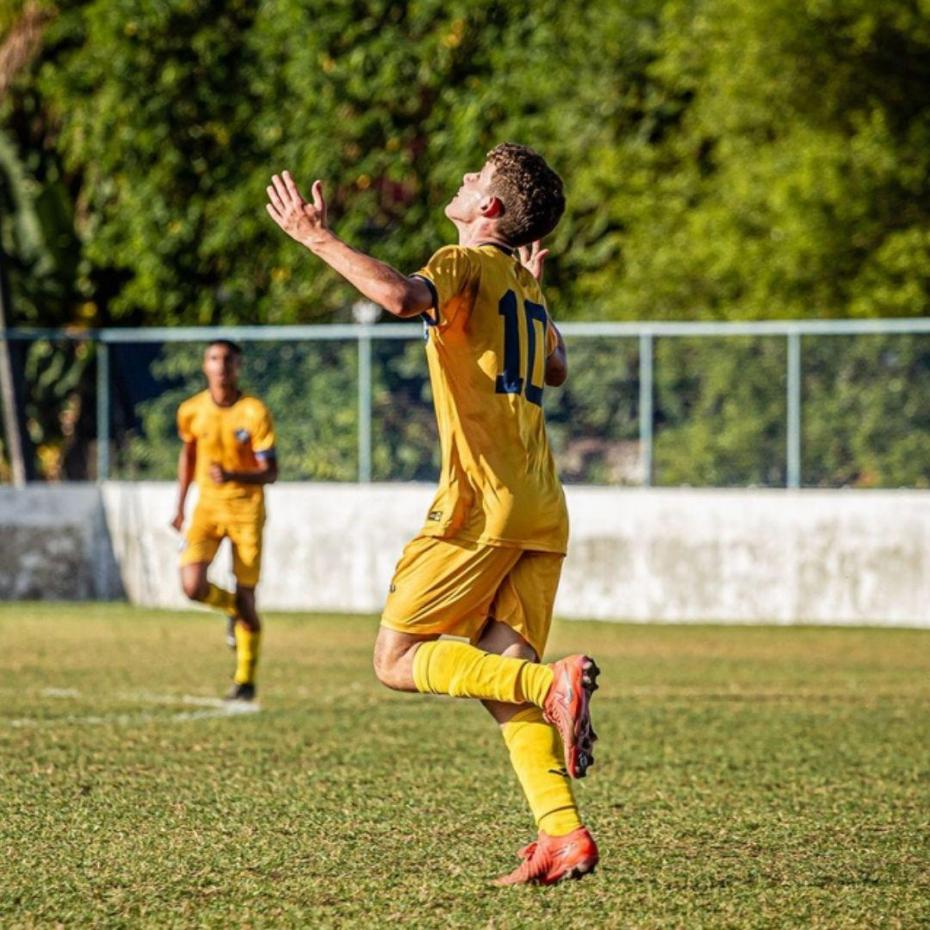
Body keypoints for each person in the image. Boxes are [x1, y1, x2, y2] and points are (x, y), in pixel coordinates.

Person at [266, 143, 600, 885]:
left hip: (480, 505)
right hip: (543, 505)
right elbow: (556, 366)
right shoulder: (523, 283)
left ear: (489, 210)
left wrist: (314, 236)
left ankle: (554, 687)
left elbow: (398, 297)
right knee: (500, 672)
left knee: (395, 661)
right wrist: (531, 295)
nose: (462, 180)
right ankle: (563, 834)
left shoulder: (462, 262)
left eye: (475, 178)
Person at [171, 339, 277, 703]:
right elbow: (188, 457)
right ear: (205, 366)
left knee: (248, 595)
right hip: (207, 509)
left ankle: (245, 681)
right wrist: (180, 505)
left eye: (227, 360)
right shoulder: (191, 411)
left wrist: (233, 474)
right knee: (191, 586)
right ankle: (233, 609)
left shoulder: (254, 412)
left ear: (238, 367)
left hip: (247, 512)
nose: (220, 366)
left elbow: (271, 471)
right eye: (214, 359)